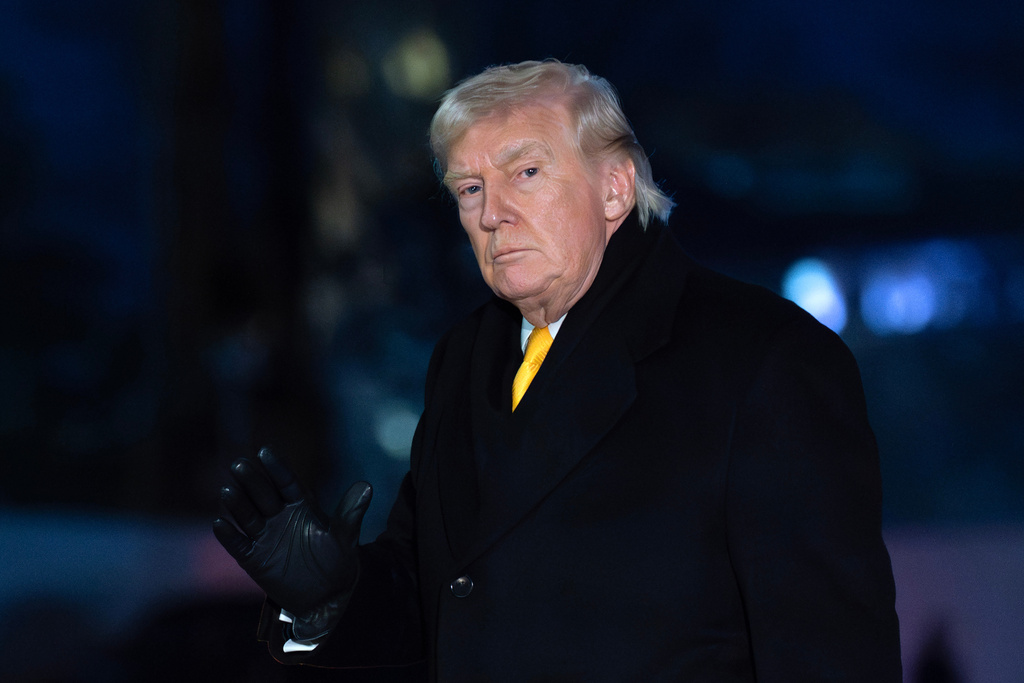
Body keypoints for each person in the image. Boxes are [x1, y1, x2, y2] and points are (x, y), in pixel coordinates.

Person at [214, 59, 902, 681]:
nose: (491, 214)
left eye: (526, 173)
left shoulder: (765, 359)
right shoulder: (466, 356)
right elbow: (456, 597)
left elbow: (831, 656)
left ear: (614, 188)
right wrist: (329, 597)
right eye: (470, 187)